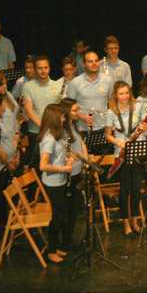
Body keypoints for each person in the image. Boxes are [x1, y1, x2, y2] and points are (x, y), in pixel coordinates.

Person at [105, 82, 147, 236]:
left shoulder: (138, 106)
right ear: (115, 95)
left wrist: (145, 128)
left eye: (127, 93)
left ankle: (135, 221)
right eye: (121, 94)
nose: (124, 96)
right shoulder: (111, 112)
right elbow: (108, 134)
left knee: (136, 188)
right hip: (121, 154)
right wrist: (119, 143)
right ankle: (125, 223)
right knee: (124, 190)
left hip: (138, 151)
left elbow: (146, 126)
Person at [37, 104, 76, 263]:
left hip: (61, 180)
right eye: (61, 117)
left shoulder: (59, 134)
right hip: (52, 184)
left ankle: (56, 247)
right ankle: (51, 251)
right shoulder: (48, 139)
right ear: (54, 118)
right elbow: (43, 166)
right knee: (56, 218)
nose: (64, 119)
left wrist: (68, 159)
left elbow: (63, 153)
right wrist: (63, 168)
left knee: (62, 216)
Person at [60, 98, 89, 251]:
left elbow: (81, 143)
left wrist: (85, 155)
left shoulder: (74, 126)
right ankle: (65, 241)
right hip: (68, 174)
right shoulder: (63, 130)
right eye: (75, 110)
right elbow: (67, 150)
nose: (78, 113)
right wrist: (83, 159)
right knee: (67, 210)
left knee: (74, 210)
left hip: (77, 171)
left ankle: (69, 239)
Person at [22, 55, 63, 161]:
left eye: (45, 68)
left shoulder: (58, 85)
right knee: (38, 166)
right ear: (35, 70)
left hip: (55, 132)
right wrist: (45, 128)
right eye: (40, 68)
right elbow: (29, 112)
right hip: (36, 133)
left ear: (49, 68)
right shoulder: (28, 86)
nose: (43, 71)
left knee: (55, 164)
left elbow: (63, 109)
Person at [67, 51, 115, 133]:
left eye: (96, 61)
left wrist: (113, 122)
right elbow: (68, 108)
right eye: (90, 61)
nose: (94, 63)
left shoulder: (108, 80)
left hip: (105, 127)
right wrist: (82, 117)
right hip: (82, 129)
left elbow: (113, 102)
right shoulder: (75, 83)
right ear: (84, 64)